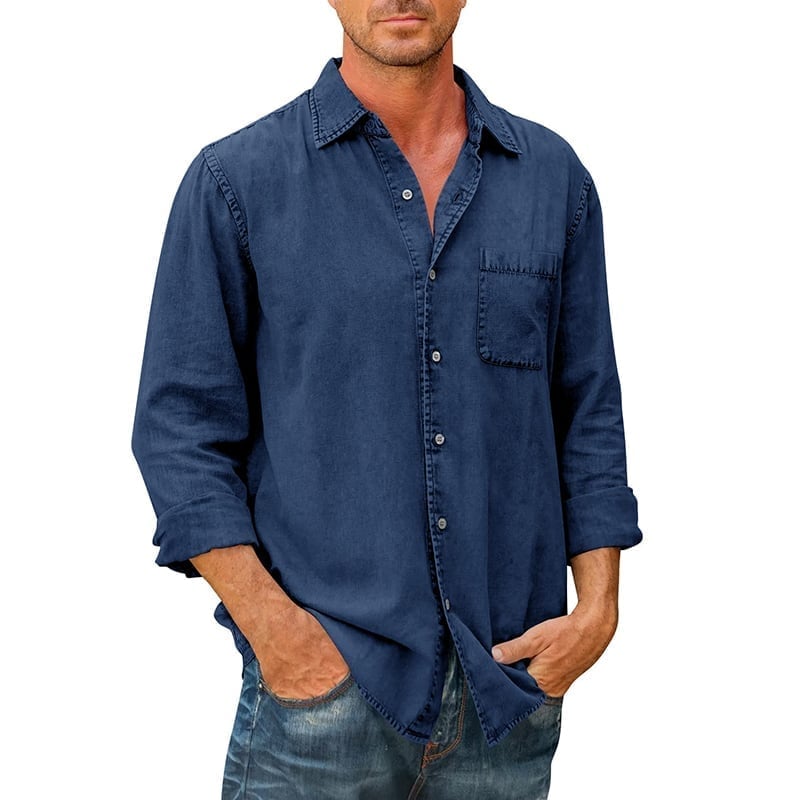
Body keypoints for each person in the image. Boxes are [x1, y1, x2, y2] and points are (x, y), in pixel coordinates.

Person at [131, 1, 643, 797]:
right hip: (320, 706)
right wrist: (279, 635)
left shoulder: (553, 180)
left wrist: (598, 609)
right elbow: (178, 429)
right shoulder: (238, 182)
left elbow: (587, 409)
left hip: (506, 698)